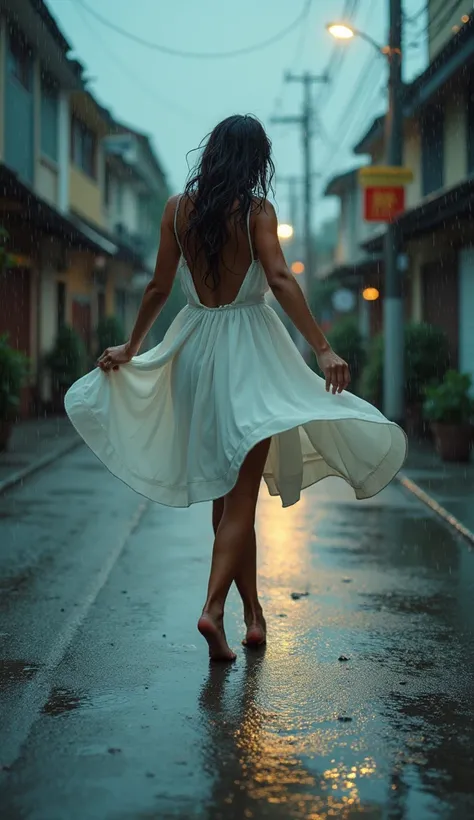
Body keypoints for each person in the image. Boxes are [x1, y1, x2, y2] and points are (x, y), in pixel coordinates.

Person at [65, 114, 407, 662]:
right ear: (255, 161)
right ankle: (213, 609)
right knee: (242, 500)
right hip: (249, 354)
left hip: (195, 351)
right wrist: (322, 346)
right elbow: (277, 277)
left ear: (212, 152)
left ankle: (253, 617)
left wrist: (132, 346)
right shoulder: (255, 212)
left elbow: (157, 285)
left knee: (227, 499)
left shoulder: (179, 210)